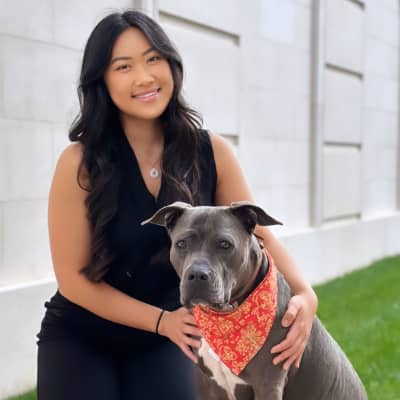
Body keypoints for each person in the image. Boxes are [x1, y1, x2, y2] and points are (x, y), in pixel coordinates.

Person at [36, 9, 318, 400]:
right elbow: (73, 280)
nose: (144, 77)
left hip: (170, 337)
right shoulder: (78, 163)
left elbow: (259, 236)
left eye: (153, 59)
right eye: (124, 66)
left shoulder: (212, 151)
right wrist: (162, 321)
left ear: (172, 65)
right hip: (84, 334)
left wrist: (305, 293)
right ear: (102, 80)